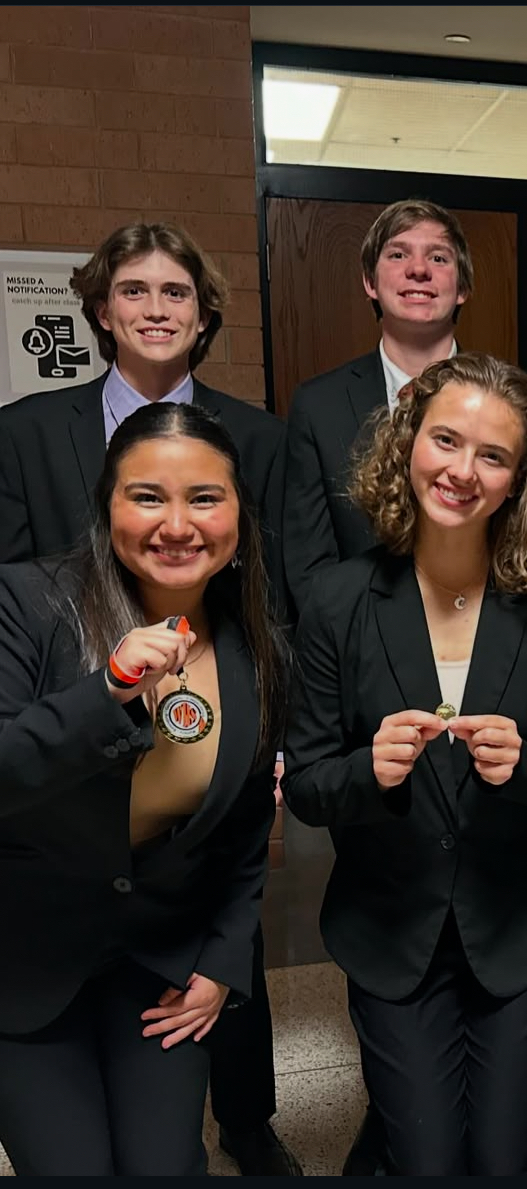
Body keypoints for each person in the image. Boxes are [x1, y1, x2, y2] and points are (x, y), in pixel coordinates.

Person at [0, 222, 298, 1176]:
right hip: (24, 965)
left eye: (205, 499)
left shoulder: (254, 645)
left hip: (159, 959)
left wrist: (219, 958)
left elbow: (248, 825)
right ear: (107, 506)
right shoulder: (32, 601)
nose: (177, 525)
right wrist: (112, 689)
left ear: (239, 515)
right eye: (147, 499)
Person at [282, 352, 527, 1175]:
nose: (462, 471)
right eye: (446, 439)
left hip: (523, 923)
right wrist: (371, 768)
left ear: (519, 478)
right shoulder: (338, 600)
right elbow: (312, 787)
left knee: (504, 1157)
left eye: (493, 455)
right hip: (392, 928)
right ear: (408, 442)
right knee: (427, 1159)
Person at [283, 199, 473, 616]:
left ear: (462, 288)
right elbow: (309, 568)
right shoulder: (318, 406)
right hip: (359, 654)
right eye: (398, 254)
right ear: (370, 282)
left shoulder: (504, 402)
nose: (418, 269)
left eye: (438, 257)